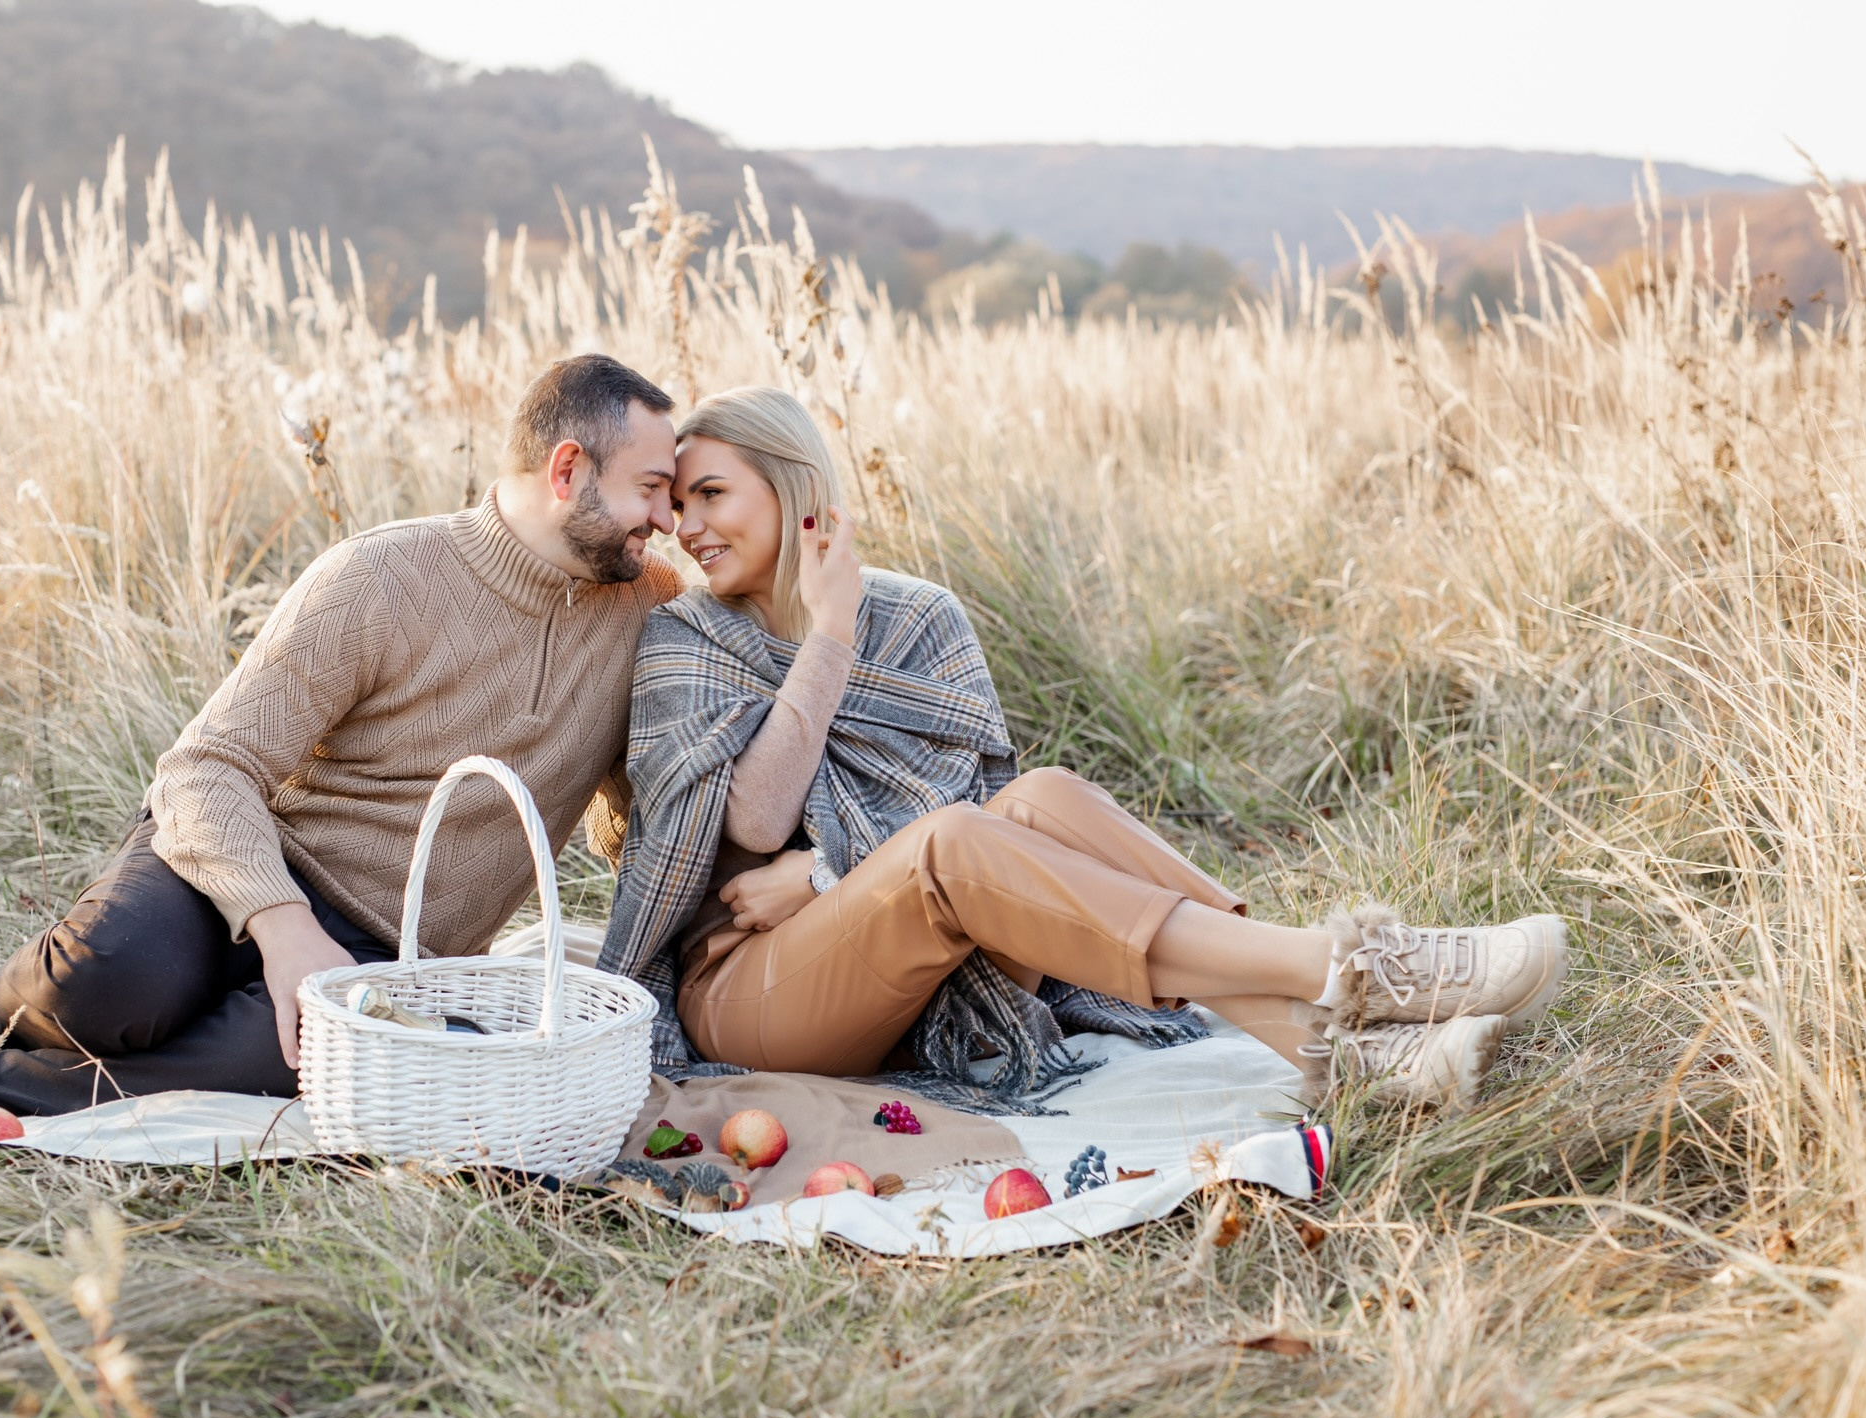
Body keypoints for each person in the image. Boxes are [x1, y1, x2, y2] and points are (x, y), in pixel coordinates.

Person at [0, 354, 688, 1138]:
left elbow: (630, 823)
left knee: (272, 1062)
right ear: (568, 470)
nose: (668, 519)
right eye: (651, 489)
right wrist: (281, 926)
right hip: (233, 867)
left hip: (389, 950)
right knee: (116, 982)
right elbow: (206, 767)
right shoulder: (380, 578)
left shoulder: (650, 614)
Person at [597, 387, 1569, 1111]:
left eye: (712, 493)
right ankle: (1356, 967)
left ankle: (1338, 1063)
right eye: (678, 504)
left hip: (933, 977)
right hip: (753, 990)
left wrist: (825, 873)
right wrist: (829, 637)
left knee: (1044, 798)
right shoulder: (687, 639)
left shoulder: (922, 619)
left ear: (794, 488)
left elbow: (986, 815)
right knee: (948, 843)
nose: (687, 527)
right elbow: (757, 819)